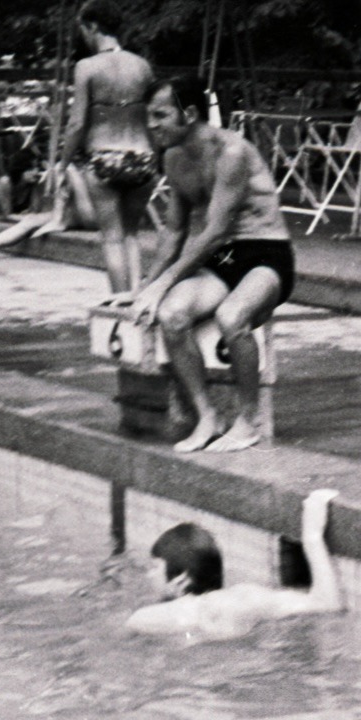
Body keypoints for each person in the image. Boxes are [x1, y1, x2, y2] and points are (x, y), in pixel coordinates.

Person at [120, 74, 293, 454]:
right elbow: (175, 229)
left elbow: (214, 231)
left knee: (233, 316)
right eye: (148, 116)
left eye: (160, 116)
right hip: (226, 257)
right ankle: (207, 416)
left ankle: (247, 421)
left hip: (266, 253)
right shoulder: (174, 157)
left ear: (191, 113)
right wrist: (148, 287)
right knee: (172, 314)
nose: (152, 125)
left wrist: (164, 281)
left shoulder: (232, 153)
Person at [125, 489, 342, 641]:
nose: (148, 574)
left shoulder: (146, 618)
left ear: (181, 579)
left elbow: (130, 626)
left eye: (155, 567)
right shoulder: (244, 598)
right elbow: (326, 604)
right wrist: (312, 536)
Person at [58, 0, 156, 294]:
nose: (82, 36)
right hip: (142, 157)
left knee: (111, 238)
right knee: (131, 236)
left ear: (93, 26)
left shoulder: (87, 67)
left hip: (103, 157)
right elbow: (155, 117)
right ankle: (138, 300)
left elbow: (76, 124)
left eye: (83, 29)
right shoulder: (142, 66)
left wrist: (62, 163)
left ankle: (120, 305)